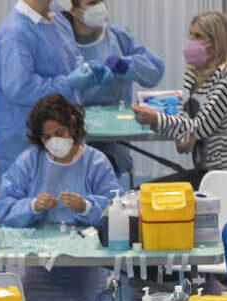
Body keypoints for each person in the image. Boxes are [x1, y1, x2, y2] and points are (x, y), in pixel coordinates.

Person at [0, 94, 123, 301]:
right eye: (47, 137)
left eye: (60, 133)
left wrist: (86, 206)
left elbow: (119, 209)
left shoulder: (95, 162)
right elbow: (2, 210)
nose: (54, 141)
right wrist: (32, 206)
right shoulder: (30, 162)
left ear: (73, 124)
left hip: (85, 264)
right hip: (36, 263)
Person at [0, 0, 114, 182]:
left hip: (66, 134)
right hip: (29, 140)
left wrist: (90, 71)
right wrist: (68, 83)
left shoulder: (57, 18)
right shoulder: (16, 32)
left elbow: (70, 62)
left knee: (71, 199)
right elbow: (20, 89)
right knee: (30, 203)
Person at [131, 11, 227, 186]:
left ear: (217, 43)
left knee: (142, 193)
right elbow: (187, 118)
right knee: (143, 192)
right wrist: (182, 138)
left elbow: (201, 127)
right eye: (190, 35)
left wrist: (156, 119)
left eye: (198, 36)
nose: (191, 42)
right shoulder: (194, 74)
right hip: (207, 172)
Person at [63, 0, 165, 178]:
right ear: (75, 11)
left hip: (114, 136)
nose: (99, 7)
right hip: (71, 133)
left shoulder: (117, 37)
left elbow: (154, 71)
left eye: (101, 1)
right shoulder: (61, 42)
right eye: (92, 3)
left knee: (99, 170)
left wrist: (124, 65)